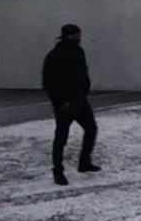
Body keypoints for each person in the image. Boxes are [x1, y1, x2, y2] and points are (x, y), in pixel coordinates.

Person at [42, 23, 100, 186]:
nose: (78, 38)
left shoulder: (78, 52)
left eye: (78, 35)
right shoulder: (56, 55)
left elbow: (82, 74)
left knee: (91, 129)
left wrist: (84, 92)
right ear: (67, 36)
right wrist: (61, 102)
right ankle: (58, 171)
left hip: (79, 100)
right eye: (75, 35)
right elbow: (49, 83)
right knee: (61, 137)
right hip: (65, 104)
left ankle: (84, 162)